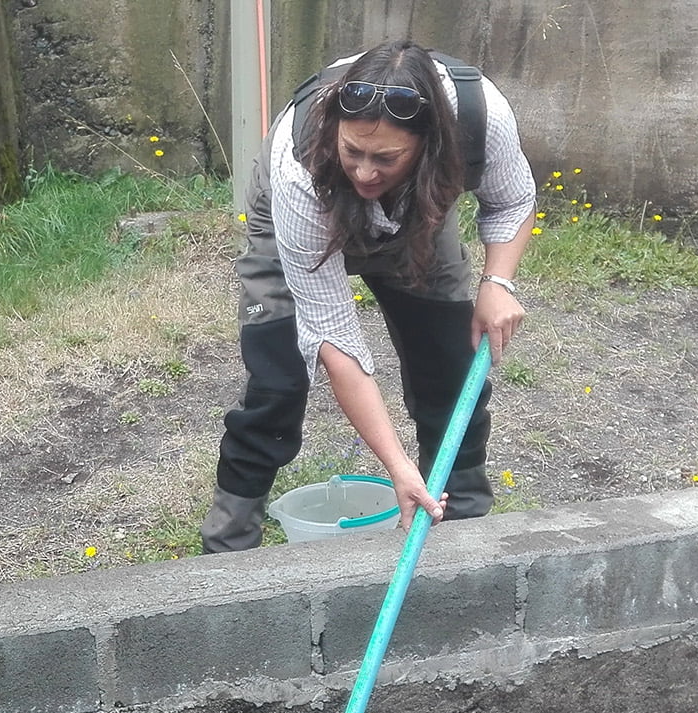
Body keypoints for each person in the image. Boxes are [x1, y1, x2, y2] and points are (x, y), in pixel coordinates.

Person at [202, 39, 535, 553]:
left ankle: (465, 526)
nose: (364, 171)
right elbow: (334, 338)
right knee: (279, 378)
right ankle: (228, 541)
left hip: (417, 214)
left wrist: (498, 282)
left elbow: (511, 200)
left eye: (386, 157)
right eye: (352, 150)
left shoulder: (479, 115)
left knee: (449, 366)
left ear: (430, 143)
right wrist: (397, 468)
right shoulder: (301, 166)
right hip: (307, 210)